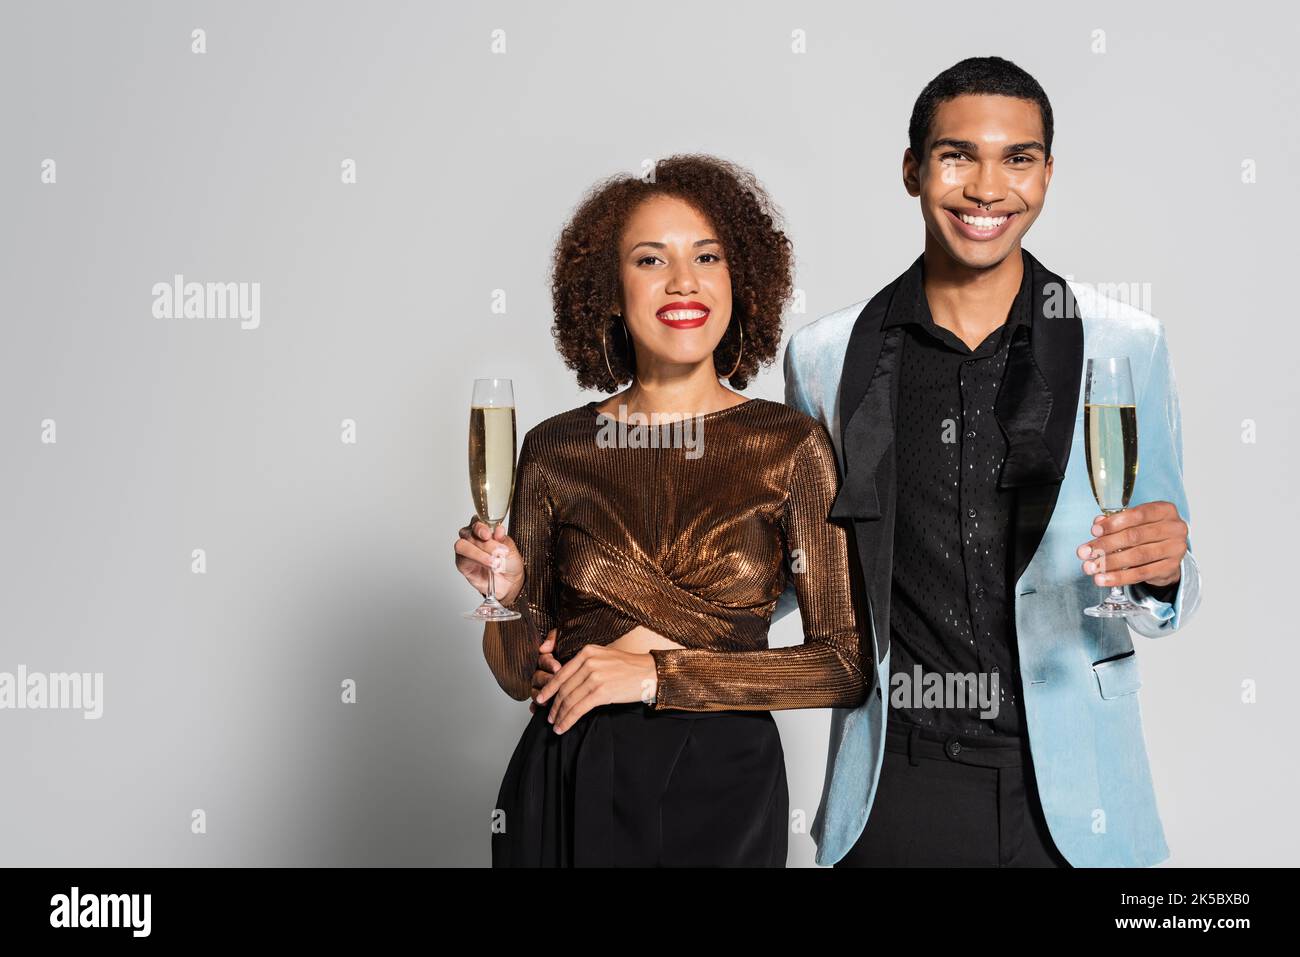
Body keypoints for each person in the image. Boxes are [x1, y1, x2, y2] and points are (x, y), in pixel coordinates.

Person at [777, 56, 1203, 867]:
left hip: (1078, 800)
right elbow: (795, 571)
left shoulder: (1125, 343)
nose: (987, 187)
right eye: (956, 154)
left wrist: (1164, 573)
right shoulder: (826, 357)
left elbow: (1169, 565)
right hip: (894, 785)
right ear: (912, 169)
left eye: (1018, 158)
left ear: (1047, 173)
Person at [454, 154, 871, 867]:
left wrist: (655, 677)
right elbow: (521, 670)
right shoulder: (555, 448)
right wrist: (510, 594)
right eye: (651, 259)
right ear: (610, 292)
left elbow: (843, 665)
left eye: (707, 256)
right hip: (569, 771)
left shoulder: (792, 446)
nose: (684, 280)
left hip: (724, 781)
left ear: (740, 279)